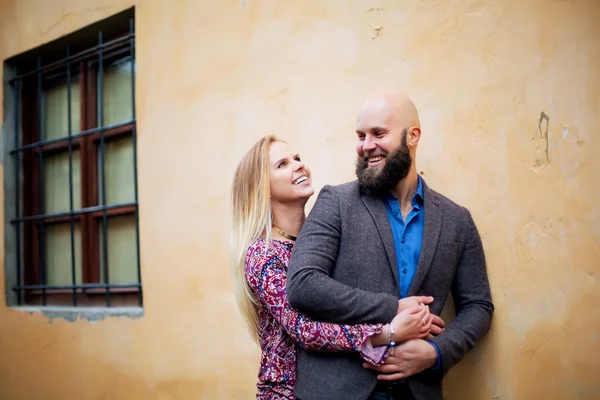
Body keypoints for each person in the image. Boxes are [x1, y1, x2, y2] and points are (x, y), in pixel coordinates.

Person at [287, 91, 494, 400]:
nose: (366, 145)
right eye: (360, 135)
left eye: (378, 133)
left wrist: (436, 352)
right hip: (335, 391)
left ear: (413, 136)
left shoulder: (457, 220)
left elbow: (478, 306)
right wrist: (392, 308)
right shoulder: (336, 202)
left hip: (417, 390)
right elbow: (303, 283)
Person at [231, 135, 445, 399]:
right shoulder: (263, 255)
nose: (299, 165)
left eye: (297, 158)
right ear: (260, 186)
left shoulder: (324, 239)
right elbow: (305, 331)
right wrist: (389, 331)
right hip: (288, 393)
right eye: (282, 164)